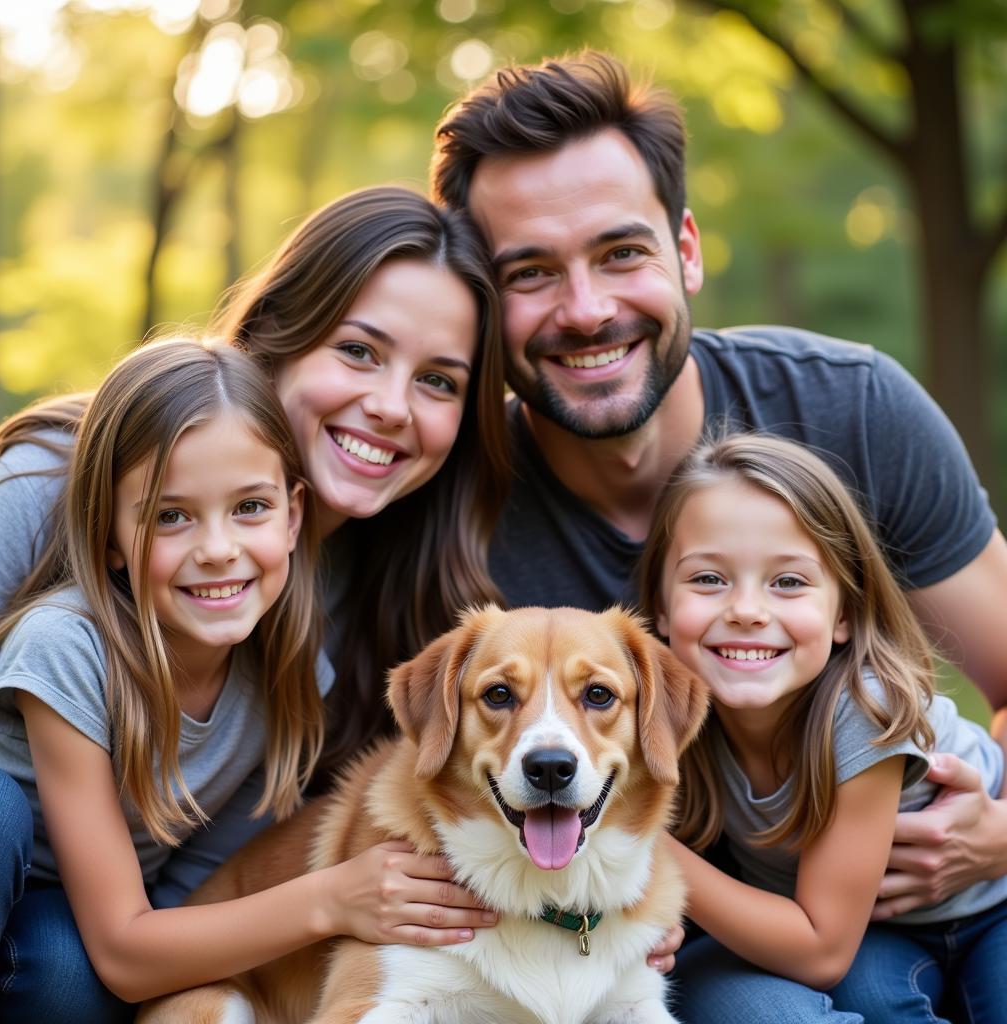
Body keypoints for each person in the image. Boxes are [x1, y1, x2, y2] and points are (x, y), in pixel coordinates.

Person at [429, 49, 1007, 929]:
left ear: (686, 251)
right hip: (714, 932)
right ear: (481, 300)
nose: (585, 310)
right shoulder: (442, 506)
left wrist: (1003, 835)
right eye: (531, 273)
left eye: (621, 252)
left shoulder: (853, 408)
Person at [0, 187, 509, 1018]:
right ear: (281, 335)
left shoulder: (301, 633)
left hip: (95, 917)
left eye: (438, 380)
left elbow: (195, 900)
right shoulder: (49, 486)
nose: (391, 405)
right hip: (4, 848)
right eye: (361, 351)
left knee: (61, 971)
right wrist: (334, 898)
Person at [637, 432, 1007, 1023]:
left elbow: (820, 950)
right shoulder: (668, 711)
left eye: (788, 581)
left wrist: (641, 846)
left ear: (844, 614)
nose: (747, 610)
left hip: (992, 905)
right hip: (883, 931)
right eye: (708, 579)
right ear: (659, 605)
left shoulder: (868, 711)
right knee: (871, 1004)